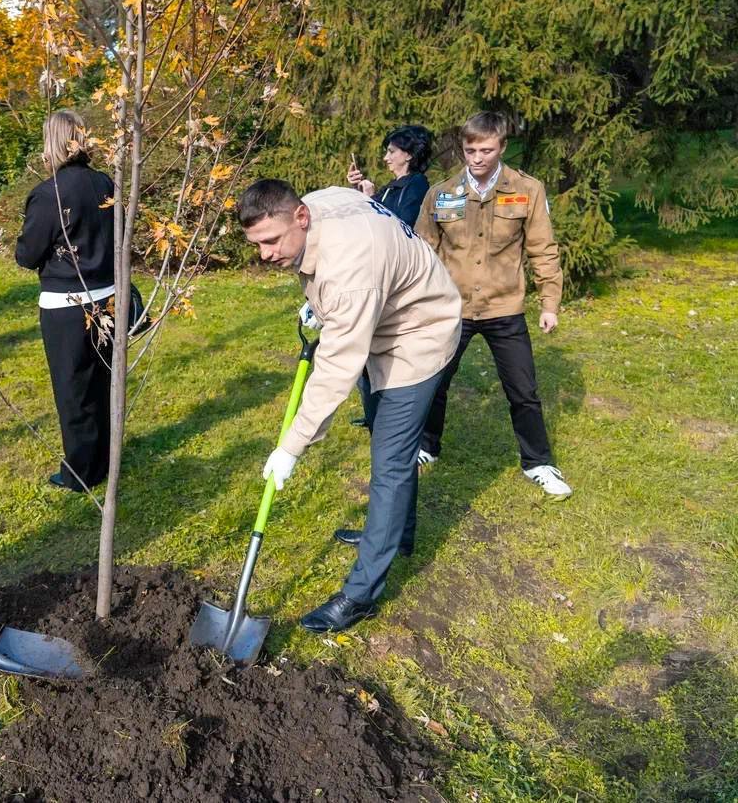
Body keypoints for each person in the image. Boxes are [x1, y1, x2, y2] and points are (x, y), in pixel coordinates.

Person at [240, 179, 461, 632]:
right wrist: (319, 305)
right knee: (388, 449)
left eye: (271, 241)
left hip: (417, 336)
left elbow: (334, 371)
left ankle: (361, 596)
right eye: (257, 243)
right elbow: (351, 194)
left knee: (391, 463)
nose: (264, 254)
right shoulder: (322, 203)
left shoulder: (350, 273)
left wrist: (291, 447)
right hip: (382, 319)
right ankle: (396, 533)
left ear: (300, 217)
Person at [414, 111, 571, 499]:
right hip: (453, 309)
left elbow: (542, 249)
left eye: (486, 150)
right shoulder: (441, 193)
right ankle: (426, 446)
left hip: (505, 309)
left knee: (523, 390)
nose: (477, 158)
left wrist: (549, 302)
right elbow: (420, 253)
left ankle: (538, 463)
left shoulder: (527, 190)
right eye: (470, 150)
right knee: (434, 382)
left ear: (502, 147)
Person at [15, 110, 116, 493]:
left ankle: (80, 471)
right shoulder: (104, 182)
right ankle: (103, 458)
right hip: (106, 296)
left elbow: (27, 255)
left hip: (66, 303)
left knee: (73, 390)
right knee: (101, 382)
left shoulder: (49, 194)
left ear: (52, 142)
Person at [345, 125, 437, 431]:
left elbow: (399, 228)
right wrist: (365, 195)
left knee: (383, 354)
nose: (386, 156)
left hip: (395, 284)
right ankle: (374, 416)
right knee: (367, 355)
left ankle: (385, 420)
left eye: (392, 151)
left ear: (408, 155)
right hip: (376, 278)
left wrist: (371, 200)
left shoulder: (416, 187)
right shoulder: (389, 188)